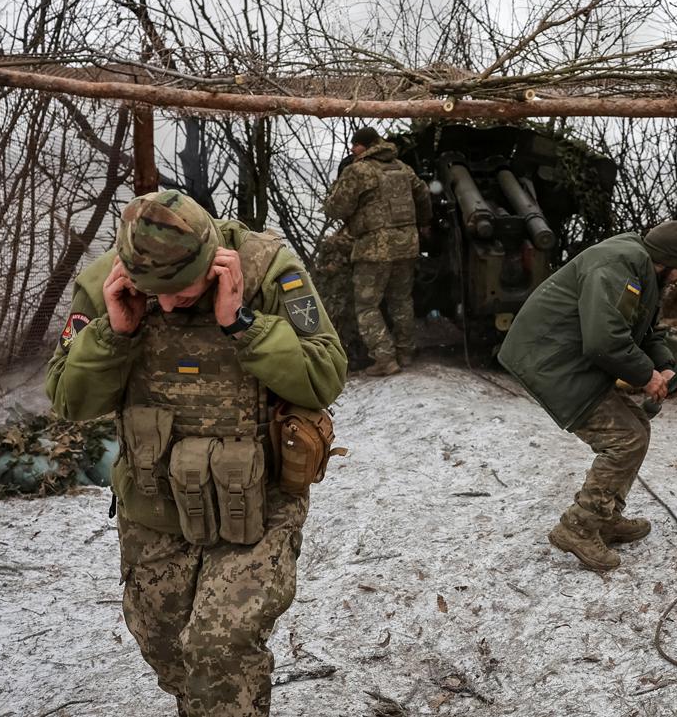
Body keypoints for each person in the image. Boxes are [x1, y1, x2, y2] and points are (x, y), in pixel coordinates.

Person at [45, 190, 347, 716]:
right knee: (164, 647)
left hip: (258, 500)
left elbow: (324, 377)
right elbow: (69, 400)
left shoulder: (269, 271)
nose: (165, 306)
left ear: (214, 261)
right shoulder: (102, 285)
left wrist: (243, 324)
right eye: (151, 293)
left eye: (181, 293)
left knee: (218, 649)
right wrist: (115, 335)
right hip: (154, 501)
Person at [497, 220, 677, 572]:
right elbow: (604, 340)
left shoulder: (640, 270)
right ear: (664, 261)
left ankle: (604, 517)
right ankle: (578, 527)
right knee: (625, 437)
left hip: (569, 357)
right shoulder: (617, 268)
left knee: (636, 429)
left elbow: (647, 331)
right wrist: (645, 376)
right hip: (550, 359)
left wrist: (664, 367)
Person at [322, 126, 432, 376]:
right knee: (401, 299)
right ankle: (405, 353)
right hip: (407, 244)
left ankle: (385, 358)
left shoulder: (358, 170)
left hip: (375, 248)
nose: (352, 149)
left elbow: (336, 209)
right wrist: (423, 223)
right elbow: (423, 194)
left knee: (366, 305)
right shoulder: (403, 168)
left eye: (356, 144)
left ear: (367, 145)